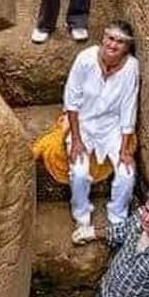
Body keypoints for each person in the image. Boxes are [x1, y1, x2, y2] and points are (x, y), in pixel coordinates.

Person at [61, 20, 139, 242]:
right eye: (110, 38)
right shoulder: (85, 59)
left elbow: (128, 109)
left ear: (127, 47)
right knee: (78, 171)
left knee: (127, 173)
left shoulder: (131, 67)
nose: (113, 45)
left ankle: (117, 220)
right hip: (83, 123)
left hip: (112, 127)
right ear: (103, 38)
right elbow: (72, 102)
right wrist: (76, 139)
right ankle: (82, 216)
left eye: (120, 42)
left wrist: (125, 149)